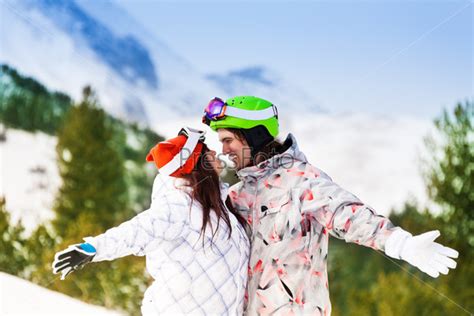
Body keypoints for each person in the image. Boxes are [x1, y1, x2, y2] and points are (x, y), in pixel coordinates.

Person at [202, 96, 459, 315]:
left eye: (228, 140)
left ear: (254, 135)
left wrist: (399, 243)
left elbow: (346, 212)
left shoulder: (301, 182)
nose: (223, 149)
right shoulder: (236, 196)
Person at [52, 127, 250, 315]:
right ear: (195, 164)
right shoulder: (180, 205)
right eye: (207, 151)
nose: (215, 153)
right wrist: (95, 247)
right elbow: (140, 230)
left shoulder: (218, 205)